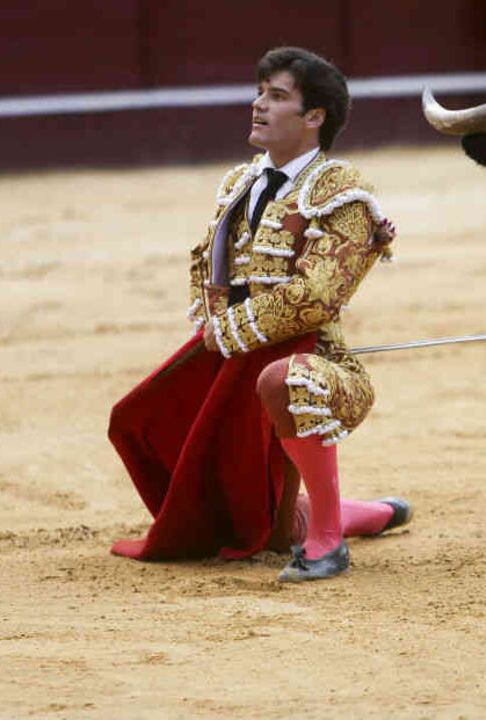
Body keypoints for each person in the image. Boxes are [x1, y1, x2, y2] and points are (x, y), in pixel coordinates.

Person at [108, 47, 410, 582]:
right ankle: (362, 512)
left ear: (314, 117)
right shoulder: (239, 184)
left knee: (286, 380)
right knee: (139, 421)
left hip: (318, 361)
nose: (258, 105)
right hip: (234, 357)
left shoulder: (338, 190)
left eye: (277, 96)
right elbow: (210, 269)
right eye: (259, 92)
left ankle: (327, 539)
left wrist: (233, 331)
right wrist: (219, 331)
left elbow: (316, 296)